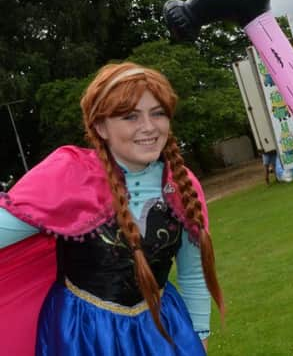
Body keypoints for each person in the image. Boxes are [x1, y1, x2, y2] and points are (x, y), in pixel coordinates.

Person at [0, 62, 224, 356]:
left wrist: (199, 339)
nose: (148, 127)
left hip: (163, 331)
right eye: (130, 116)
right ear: (100, 127)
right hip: (84, 335)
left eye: (158, 113)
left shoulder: (182, 184)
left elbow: (193, 274)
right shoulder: (68, 175)